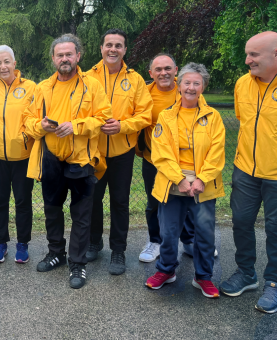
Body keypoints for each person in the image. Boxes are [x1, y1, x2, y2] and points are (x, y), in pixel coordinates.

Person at [24, 34, 112, 289]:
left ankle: (78, 263)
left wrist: (75, 126)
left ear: (78, 56)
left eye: (69, 54)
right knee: (52, 210)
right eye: (59, 55)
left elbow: (103, 118)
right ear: (53, 58)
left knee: (81, 215)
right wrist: (39, 125)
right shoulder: (42, 88)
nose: (64, 58)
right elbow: (28, 122)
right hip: (50, 159)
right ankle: (56, 253)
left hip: (82, 159)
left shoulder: (92, 86)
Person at [221, 31, 277, 314]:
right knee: (240, 221)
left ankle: (274, 284)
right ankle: (246, 273)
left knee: (276, 230)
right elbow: (244, 121)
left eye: (254, 55)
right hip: (245, 171)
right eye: (247, 54)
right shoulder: (242, 84)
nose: (247, 60)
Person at [145, 63, 225, 298]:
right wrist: (179, 179)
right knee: (168, 233)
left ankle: (203, 277)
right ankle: (166, 271)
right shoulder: (166, 116)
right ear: (179, 86)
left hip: (204, 185)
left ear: (203, 87)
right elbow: (160, 153)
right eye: (186, 83)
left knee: (204, 233)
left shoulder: (214, 117)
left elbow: (217, 151)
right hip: (172, 184)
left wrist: (202, 179)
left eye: (196, 83)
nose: (191, 87)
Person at [86, 29, 152, 275]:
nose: (112, 49)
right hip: (93, 150)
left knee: (120, 202)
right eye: (108, 45)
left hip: (122, 152)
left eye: (118, 45)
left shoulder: (135, 80)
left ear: (125, 50)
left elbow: (145, 115)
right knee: (92, 200)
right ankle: (94, 242)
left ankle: (118, 251)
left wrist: (123, 126)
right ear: (101, 48)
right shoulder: (87, 77)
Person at [137, 53, 195, 262]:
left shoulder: (187, 89)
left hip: (184, 160)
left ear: (176, 70)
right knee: (154, 201)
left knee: (187, 200)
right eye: (158, 70)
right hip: (154, 159)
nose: (164, 73)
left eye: (168, 68)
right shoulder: (144, 94)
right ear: (151, 73)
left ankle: (189, 241)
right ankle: (155, 241)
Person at [0, 45, 36, 264]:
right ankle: (0, 244)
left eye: (7, 62)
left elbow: (35, 117)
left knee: (23, 202)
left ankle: (22, 244)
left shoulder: (31, 88)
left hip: (23, 157)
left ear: (14, 64)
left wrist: (23, 137)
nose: (3, 66)